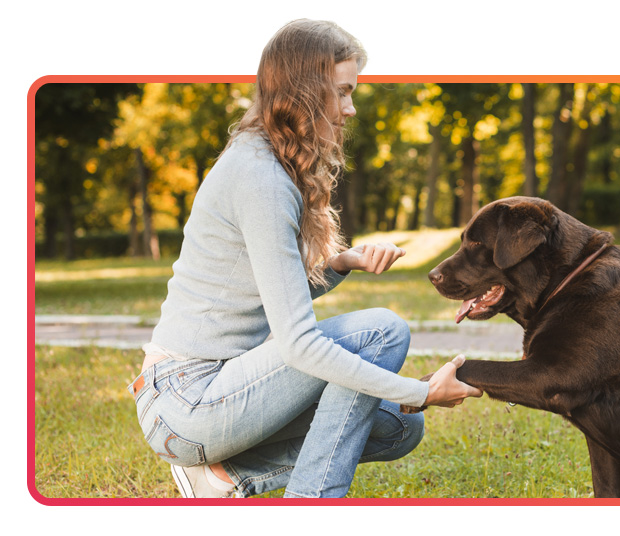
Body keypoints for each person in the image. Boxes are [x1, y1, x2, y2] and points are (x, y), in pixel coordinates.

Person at [128, 19, 482, 499]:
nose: (350, 108)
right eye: (342, 92)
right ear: (305, 92)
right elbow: (298, 343)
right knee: (383, 331)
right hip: (187, 399)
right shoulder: (261, 178)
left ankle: (223, 479)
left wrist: (340, 264)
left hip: (219, 394)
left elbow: (267, 293)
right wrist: (421, 393)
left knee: (400, 428)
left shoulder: (269, 162)